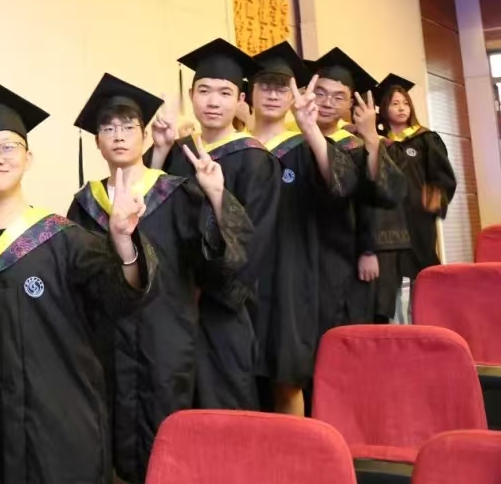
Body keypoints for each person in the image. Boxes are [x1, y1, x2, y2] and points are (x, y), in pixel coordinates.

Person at [0, 79, 156, 484]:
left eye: (8, 147)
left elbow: (123, 296)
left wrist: (123, 240)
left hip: (58, 430)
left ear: (28, 159)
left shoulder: (66, 240)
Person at [67, 73, 249, 483]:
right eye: (107, 128)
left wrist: (216, 196)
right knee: (112, 429)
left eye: (128, 127)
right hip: (107, 339)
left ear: (144, 134)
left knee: (169, 436)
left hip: (167, 333)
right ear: (97, 141)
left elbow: (221, 259)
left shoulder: (176, 192)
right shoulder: (85, 204)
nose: (118, 136)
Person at [147, 38, 281, 411]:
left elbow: (257, 241)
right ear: (192, 95)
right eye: (204, 91)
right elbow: (149, 210)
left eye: (225, 93)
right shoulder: (179, 151)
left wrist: (207, 290)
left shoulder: (255, 160)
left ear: (240, 100)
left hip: (222, 309)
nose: (213, 101)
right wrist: (159, 150)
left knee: (223, 405)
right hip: (172, 304)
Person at [245, 43, 359, 416]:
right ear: (249, 93)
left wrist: (309, 127)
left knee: (287, 377)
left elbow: (341, 184)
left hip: (290, 277)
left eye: (283, 87)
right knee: (241, 382)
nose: (273, 94)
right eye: (265, 86)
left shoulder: (304, 146)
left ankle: (295, 452)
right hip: (242, 277)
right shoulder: (233, 149)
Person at [309, 50, 405, 331]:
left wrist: (368, 249)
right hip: (303, 247)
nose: (327, 103)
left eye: (338, 97)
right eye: (320, 93)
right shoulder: (293, 142)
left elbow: (374, 201)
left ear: (350, 103)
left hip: (343, 248)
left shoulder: (356, 146)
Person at [376, 74, 456, 320]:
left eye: (405, 103)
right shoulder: (377, 142)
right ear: (383, 109)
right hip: (388, 220)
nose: (402, 108)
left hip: (418, 219)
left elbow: (442, 176)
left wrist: (437, 196)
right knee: (389, 275)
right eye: (395, 103)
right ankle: (394, 326)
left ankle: (424, 319)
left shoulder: (425, 139)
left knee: (421, 270)